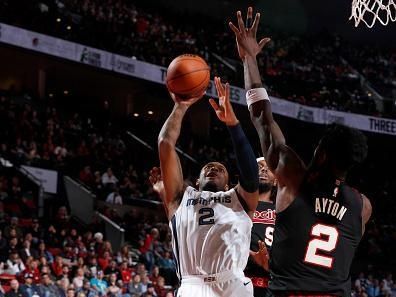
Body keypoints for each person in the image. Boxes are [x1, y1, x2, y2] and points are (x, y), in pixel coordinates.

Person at [229, 7, 372, 297]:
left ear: (321, 155)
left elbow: (262, 117)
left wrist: (249, 59)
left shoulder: (293, 177)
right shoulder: (363, 206)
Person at [155, 77, 259, 296]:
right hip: (193, 285)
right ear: (196, 182)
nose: (214, 168)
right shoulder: (180, 198)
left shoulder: (238, 199)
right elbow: (165, 144)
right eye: (208, 167)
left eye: (220, 168)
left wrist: (234, 125)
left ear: (229, 183)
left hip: (232, 284)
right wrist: (180, 106)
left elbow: (251, 175)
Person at [245, 158, 277, 297]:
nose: (263, 169)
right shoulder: (237, 204)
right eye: (259, 166)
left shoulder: (283, 210)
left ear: (276, 180)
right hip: (239, 281)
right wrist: (250, 255)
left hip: (272, 285)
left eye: (268, 168)